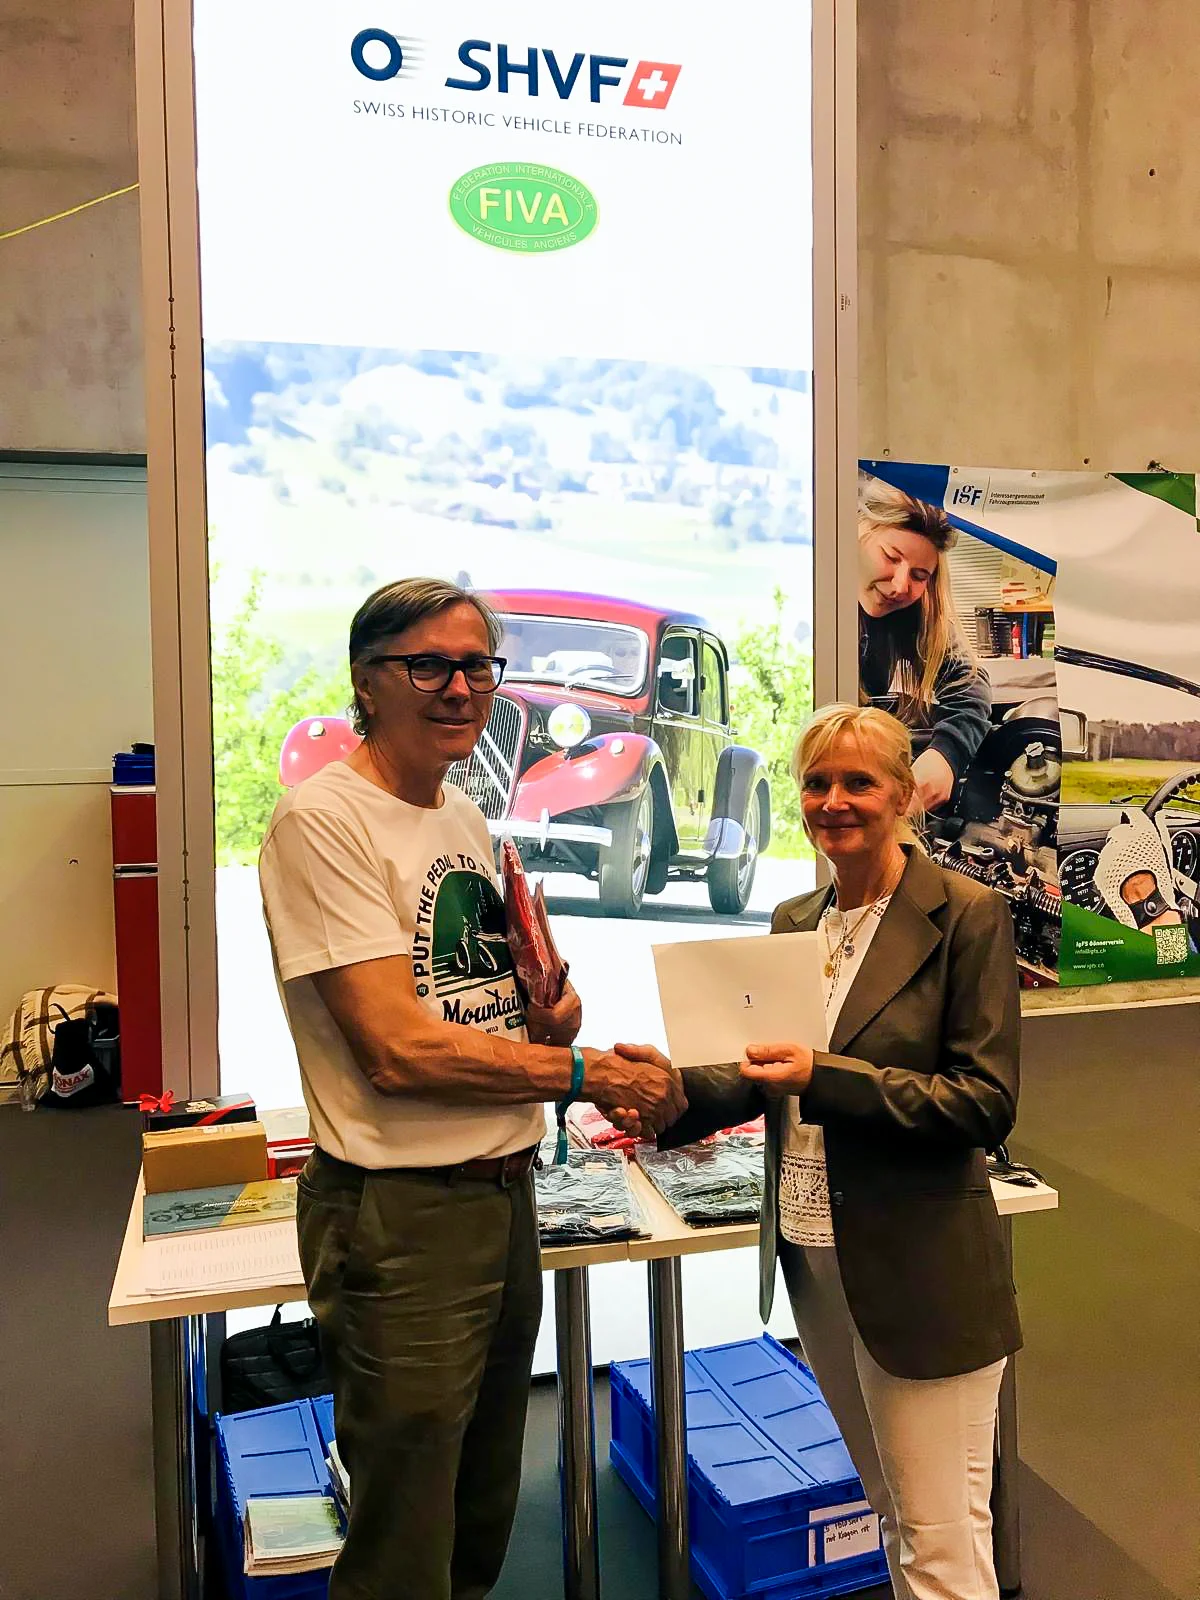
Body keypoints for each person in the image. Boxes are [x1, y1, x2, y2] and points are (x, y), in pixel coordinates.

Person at [258, 577, 684, 1600]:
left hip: (502, 1193)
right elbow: (398, 1052)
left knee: (482, 1507)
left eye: (477, 665)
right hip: (403, 1216)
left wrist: (548, 1009)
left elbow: (479, 1008)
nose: (460, 687)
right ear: (367, 681)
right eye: (428, 666)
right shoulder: (323, 822)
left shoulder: (459, 816)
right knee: (404, 1535)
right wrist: (584, 1071)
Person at [658, 703, 1021, 1600]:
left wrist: (827, 1077)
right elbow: (760, 1072)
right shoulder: (797, 918)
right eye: (817, 782)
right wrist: (660, 1095)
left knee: (940, 1541)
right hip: (815, 1253)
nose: (833, 801)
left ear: (904, 795)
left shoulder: (967, 916)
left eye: (858, 781)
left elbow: (983, 1103)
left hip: (922, 1272)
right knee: (894, 1513)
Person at [858, 479, 992, 815]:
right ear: (857, 533)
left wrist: (946, 755)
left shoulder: (913, 614)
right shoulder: (814, 607)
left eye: (919, 576)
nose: (899, 586)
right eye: (891, 557)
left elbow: (970, 680)